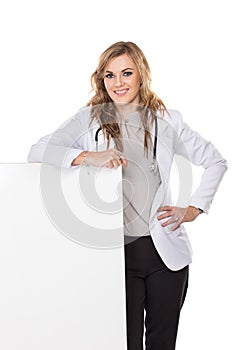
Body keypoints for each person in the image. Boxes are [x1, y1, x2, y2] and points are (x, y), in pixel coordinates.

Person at [27, 41, 227, 350]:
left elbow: (215, 161)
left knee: (162, 344)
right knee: (125, 343)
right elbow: (38, 151)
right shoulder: (89, 120)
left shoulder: (167, 120)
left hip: (165, 255)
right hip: (114, 257)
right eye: (110, 75)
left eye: (126, 73)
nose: (118, 83)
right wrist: (86, 157)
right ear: (102, 79)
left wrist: (194, 208)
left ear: (141, 75)